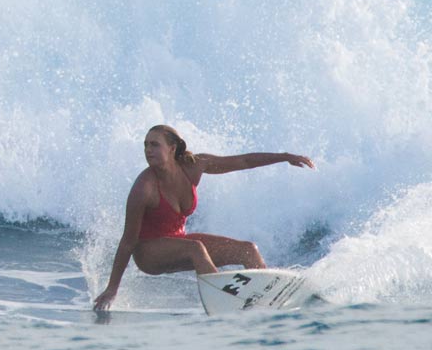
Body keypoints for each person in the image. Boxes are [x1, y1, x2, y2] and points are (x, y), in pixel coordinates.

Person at [91, 124, 315, 312]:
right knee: (195, 248)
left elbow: (243, 162)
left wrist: (285, 157)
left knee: (247, 249)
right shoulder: (143, 189)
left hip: (178, 242)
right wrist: (112, 288)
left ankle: (269, 301)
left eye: (154, 144)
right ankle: (225, 303)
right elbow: (128, 241)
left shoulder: (194, 166)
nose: (148, 150)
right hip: (149, 253)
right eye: (145, 145)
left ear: (172, 148)